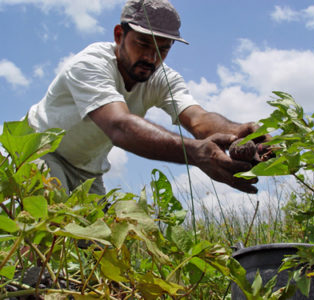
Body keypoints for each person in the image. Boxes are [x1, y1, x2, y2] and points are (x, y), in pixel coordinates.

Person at [27, 0, 265, 196]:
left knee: (98, 249)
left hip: (87, 170)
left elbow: (198, 118)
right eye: (143, 43)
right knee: (45, 234)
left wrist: (240, 132)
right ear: (119, 35)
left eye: (163, 49)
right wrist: (195, 153)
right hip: (40, 152)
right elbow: (120, 126)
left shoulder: (162, 78)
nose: (151, 57)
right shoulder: (90, 65)